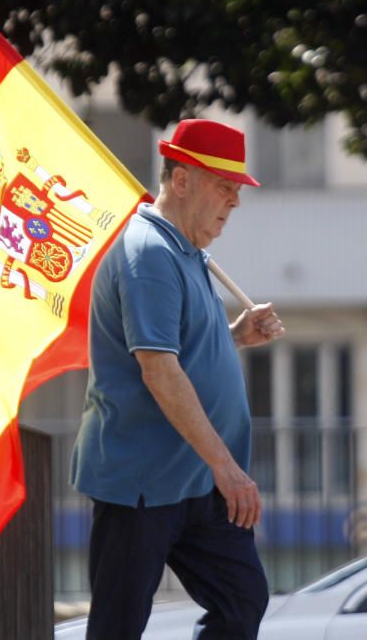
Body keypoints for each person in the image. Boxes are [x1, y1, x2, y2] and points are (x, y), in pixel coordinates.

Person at [70, 118, 285, 639]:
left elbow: (174, 349)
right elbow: (158, 369)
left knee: (243, 599)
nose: (234, 202)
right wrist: (227, 469)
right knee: (117, 628)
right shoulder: (150, 254)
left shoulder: (183, 251)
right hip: (142, 482)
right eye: (224, 186)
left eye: (237, 190)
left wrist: (232, 335)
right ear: (182, 179)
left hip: (193, 480)